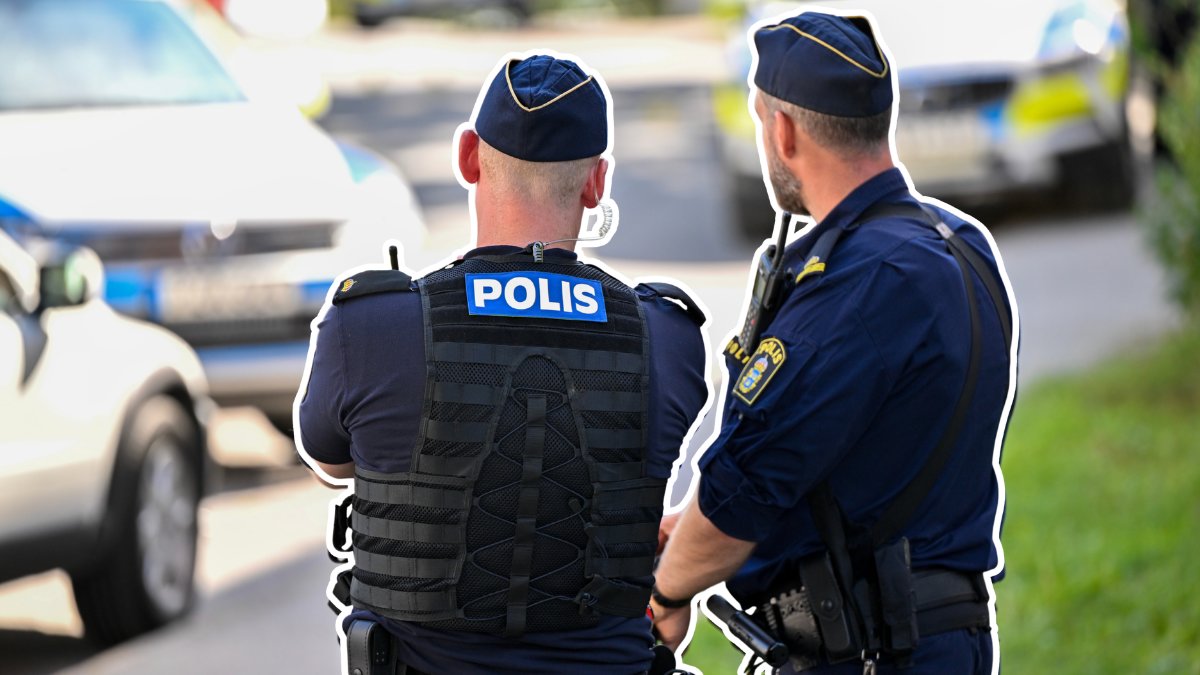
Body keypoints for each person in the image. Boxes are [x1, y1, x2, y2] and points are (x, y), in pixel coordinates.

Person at [295, 52, 710, 675]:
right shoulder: (667, 335)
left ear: (468, 157)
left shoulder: (372, 323)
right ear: (597, 181)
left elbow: (330, 461)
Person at [650, 10, 1018, 675]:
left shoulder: (862, 278)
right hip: (930, 635)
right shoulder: (959, 242)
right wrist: (692, 523)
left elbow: (751, 480)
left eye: (761, 119)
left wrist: (668, 591)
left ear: (784, 131)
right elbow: (865, 450)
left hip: (873, 650)